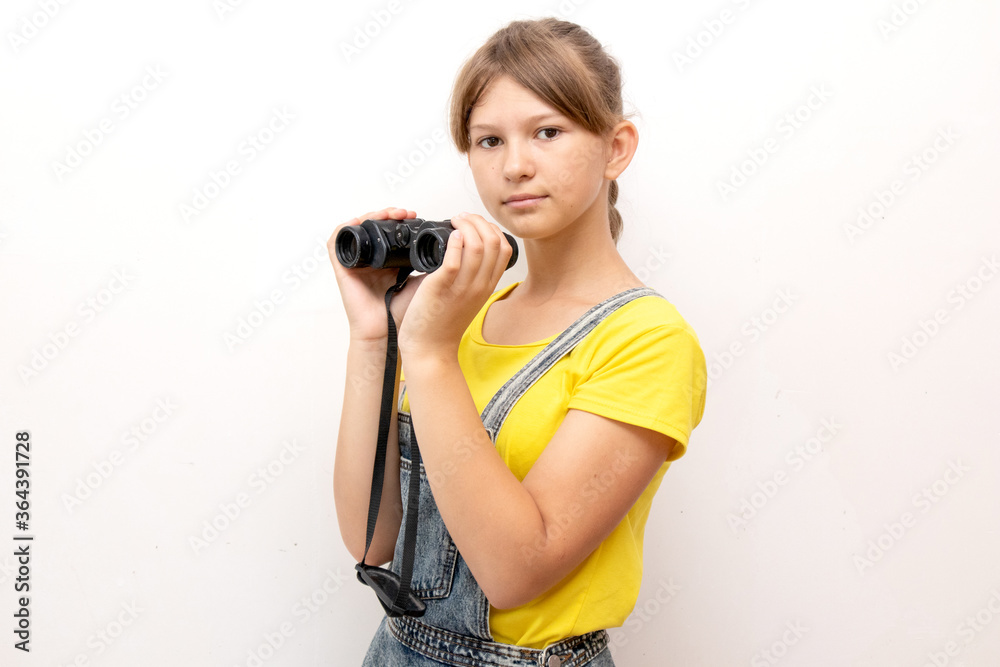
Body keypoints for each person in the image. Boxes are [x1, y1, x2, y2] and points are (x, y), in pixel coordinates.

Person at [328, 17, 707, 666]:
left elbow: (516, 570)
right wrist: (374, 336)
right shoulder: (460, 316)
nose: (515, 166)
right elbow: (372, 540)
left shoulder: (648, 341)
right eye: (488, 140)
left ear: (616, 148)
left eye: (548, 132)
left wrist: (429, 353)